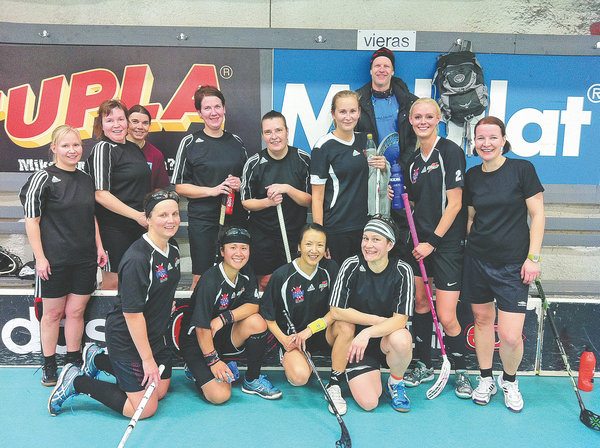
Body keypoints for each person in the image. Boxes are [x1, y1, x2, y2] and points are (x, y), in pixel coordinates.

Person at [48, 189, 181, 418]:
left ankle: (97, 359)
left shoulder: (173, 247)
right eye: (163, 215)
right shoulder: (138, 258)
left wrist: (164, 303)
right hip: (127, 338)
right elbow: (132, 315)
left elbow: (163, 285)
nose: (171, 220)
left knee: (159, 391)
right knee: (145, 409)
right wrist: (148, 360)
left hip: (154, 334)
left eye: (175, 214)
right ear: (147, 218)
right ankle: (77, 382)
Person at [462, 116, 545, 413]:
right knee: (483, 321)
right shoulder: (472, 176)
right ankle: (486, 379)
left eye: (492, 137)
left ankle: (509, 380)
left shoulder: (522, 169)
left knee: (510, 335)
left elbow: (538, 215)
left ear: (504, 140)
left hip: (513, 265)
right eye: (480, 138)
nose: (486, 143)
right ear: (474, 142)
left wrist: (533, 258)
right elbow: (471, 218)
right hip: (477, 261)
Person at [20, 125, 107, 386]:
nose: (72, 150)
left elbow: (91, 216)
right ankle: (49, 364)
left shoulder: (86, 179)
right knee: (52, 314)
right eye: (66, 145)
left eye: (76, 145)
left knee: (76, 312)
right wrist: (40, 258)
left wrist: (99, 247)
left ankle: (72, 361)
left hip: (84, 259)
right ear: (54, 148)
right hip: (54, 260)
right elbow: (32, 221)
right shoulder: (42, 178)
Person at [403, 98, 472, 398]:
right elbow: (415, 202)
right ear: (410, 120)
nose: (423, 121)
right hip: (420, 244)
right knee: (420, 304)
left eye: (429, 116)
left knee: (446, 315)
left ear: (439, 119)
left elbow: (455, 203)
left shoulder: (450, 151)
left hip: (445, 246)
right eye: (418, 117)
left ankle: (461, 371)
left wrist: (433, 242)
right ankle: (423, 364)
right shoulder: (413, 161)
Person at [178, 226, 282, 403]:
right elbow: (201, 328)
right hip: (197, 340)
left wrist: (223, 318)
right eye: (233, 247)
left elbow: (253, 305)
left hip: (221, 333)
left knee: (257, 322)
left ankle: (252, 380)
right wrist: (213, 361)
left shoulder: (246, 271)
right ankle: (195, 368)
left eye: (244, 248)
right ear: (222, 251)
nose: (239, 253)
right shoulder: (210, 281)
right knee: (220, 396)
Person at [260, 223, 354, 414]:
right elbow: (268, 317)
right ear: (299, 246)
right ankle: (301, 357)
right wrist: (285, 340)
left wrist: (310, 330)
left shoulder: (330, 269)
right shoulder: (282, 275)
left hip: (322, 332)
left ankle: (334, 383)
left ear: (325, 248)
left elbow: (336, 311)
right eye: (309, 244)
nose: (314, 250)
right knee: (299, 378)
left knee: (346, 325)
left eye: (320, 245)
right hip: (294, 338)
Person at [330, 216, 415, 412]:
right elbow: (336, 310)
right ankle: (364, 372)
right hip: (357, 346)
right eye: (365, 238)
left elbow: (400, 320)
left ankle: (395, 383)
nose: (368, 245)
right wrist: (372, 323)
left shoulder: (403, 270)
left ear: (390, 244)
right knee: (369, 403)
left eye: (376, 239)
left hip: (384, 339)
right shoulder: (351, 265)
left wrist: (368, 332)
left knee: (402, 339)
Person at [172, 85, 248, 290]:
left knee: (234, 274)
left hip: (234, 218)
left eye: (217, 107)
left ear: (224, 109)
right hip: (203, 221)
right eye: (207, 108)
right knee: (201, 278)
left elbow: (248, 181)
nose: (213, 112)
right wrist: (213, 190)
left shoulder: (236, 142)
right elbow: (180, 187)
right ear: (199, 113)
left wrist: (240, 184)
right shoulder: (190, 142)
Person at [311, 90, 387, 265]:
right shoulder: (323, 147)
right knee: (339, 279)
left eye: (352, 111)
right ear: (333, 114)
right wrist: (320, 237)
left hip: (367, 227)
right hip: (337, 229)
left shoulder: (366, 141)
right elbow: (317, 197)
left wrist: (383, 167)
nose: (348, 117)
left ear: (359, 112)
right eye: (342, 112)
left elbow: (376, 181)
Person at [85, 99, 152, 290]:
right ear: (101, 125)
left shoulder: (134, 148)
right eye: (109, 120)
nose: (116, 125)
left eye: (121, 119)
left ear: (127, 122)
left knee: (137, 280)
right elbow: (100, 194)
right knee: (113, 283)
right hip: (113, 229)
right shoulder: (103, 149)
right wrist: (136, 216)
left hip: (139, 227)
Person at [241, 110, 311, 290]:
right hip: (263, 236)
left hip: (294, 234)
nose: (274, 136)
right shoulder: (254, 163)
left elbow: (310, 200)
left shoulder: (302, 159)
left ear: (287, 131)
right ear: (263, 135)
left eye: (278, 130)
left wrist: (287, 189)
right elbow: (246, 202)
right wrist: (268, 202)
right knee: (265, 283)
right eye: (268, 132)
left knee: (295, 283)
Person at [127, 104, 170, 190]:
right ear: (126, 123)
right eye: (135, 122)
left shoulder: (156, 155)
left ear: (149, 126)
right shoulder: (114, 150)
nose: (140, 127)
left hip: (146, 198)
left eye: (145, 123)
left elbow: (160, 188)